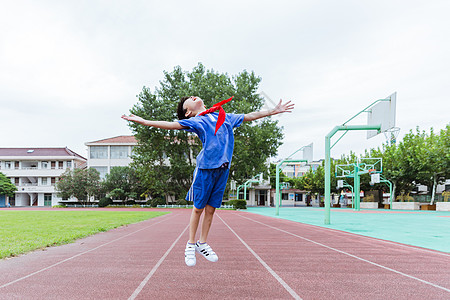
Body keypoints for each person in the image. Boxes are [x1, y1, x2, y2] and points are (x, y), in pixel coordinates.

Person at [122, 96, 294, 267]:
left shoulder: (224, 116)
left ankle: (202, 244)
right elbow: (171, 125)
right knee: (198, 209)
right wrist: (144, 121)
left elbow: (249, 115)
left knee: (211, 210)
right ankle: (190, 244)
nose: (192, 96)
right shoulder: (197, 121)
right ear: (188, 112)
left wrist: (273, 111)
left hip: (223, 169)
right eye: (188, 99)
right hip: (205, 168)